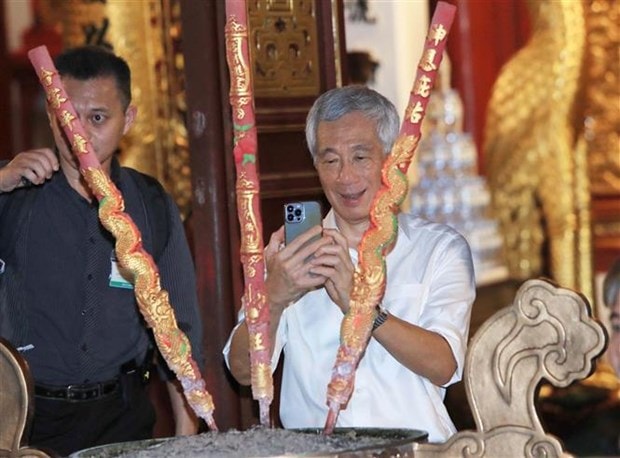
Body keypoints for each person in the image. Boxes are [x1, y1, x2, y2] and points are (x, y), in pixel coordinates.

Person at [224, 85, 475, 442]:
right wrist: (274, 297)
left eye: (360, 157)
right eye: (330, 160)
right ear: (316, 166)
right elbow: (243, 372)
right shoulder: (288, 255)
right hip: (318, 451)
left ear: (390, 160)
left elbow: (444, 365)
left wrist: (361, 306)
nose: (345, 177)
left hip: (416, 450)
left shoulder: (438, 249)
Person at [0, 45, 203, 456]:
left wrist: (186, 432)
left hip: (124, 417)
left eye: (98, 118)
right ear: (51, 116)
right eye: (69, 118)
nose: (80, 134)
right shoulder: (15, 195)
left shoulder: (150, 204)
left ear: (127, 120)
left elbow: (179, 331)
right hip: (26, 423)